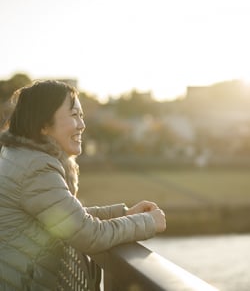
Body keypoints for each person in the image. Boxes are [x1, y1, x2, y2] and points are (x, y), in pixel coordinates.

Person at [0, 80, 166, 290]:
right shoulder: (35, 167)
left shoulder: (20, 156)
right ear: (43, 124)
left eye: (82, 116)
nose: (82, 124)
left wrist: (124, 214)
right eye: (74, 115)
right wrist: (148, 222)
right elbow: (88, 234)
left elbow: (64, 218)